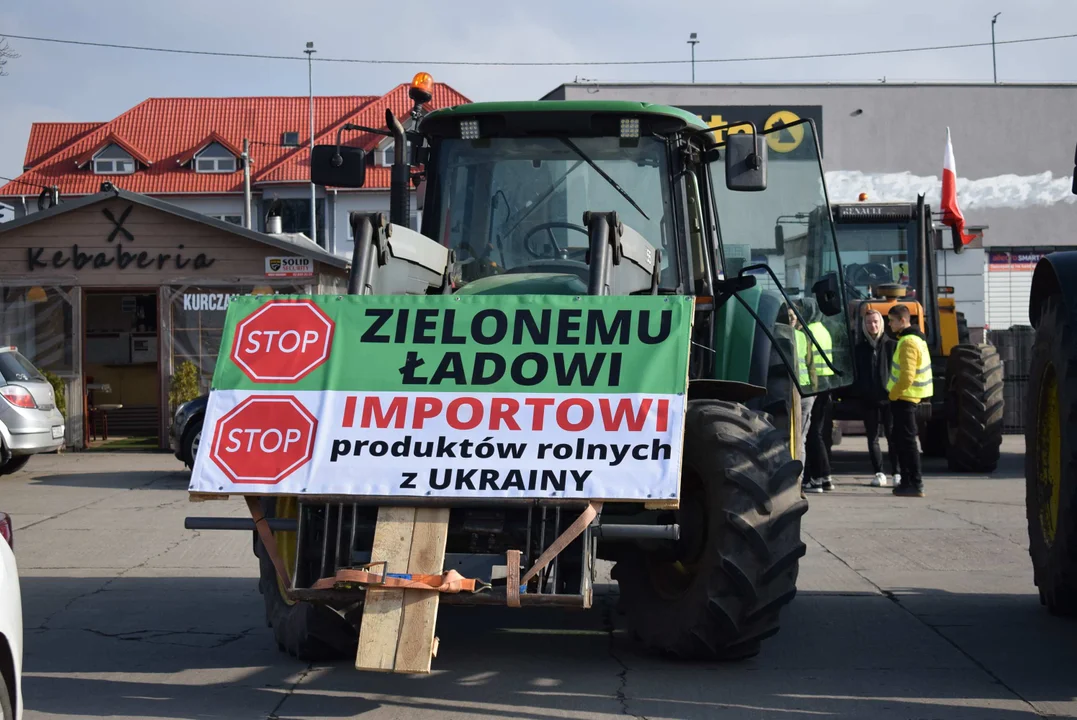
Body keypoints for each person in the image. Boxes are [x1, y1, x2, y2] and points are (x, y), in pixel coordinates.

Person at [886, 304, 933, 497]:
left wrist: (893, 394)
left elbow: (906, 376)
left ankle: (914, 482)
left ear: (903, 320)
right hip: (908, 397)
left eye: (891, 320)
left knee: (907, 443)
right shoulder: (914, 339)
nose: (889, 324)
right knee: (902, 441)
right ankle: (907, 481)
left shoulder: (908, 342)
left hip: (905, 398)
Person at [854, 309, 898, 487]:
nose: (872, 325)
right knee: (872, 438)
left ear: (882, 323)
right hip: (869, 399)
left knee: (893, 436)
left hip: (890, 399)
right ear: (864, 326)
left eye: (875, 322)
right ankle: (879, 473)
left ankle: (897, 472)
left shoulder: (892, 346)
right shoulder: (859, 350)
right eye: (868, 322)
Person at [801, 299, 836, 494]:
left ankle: (818, 477)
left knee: (812, 434)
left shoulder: (808, 332)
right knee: (819, 433)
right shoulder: (823, 330)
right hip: (827, 385)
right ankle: (825, 477)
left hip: (815, 386)